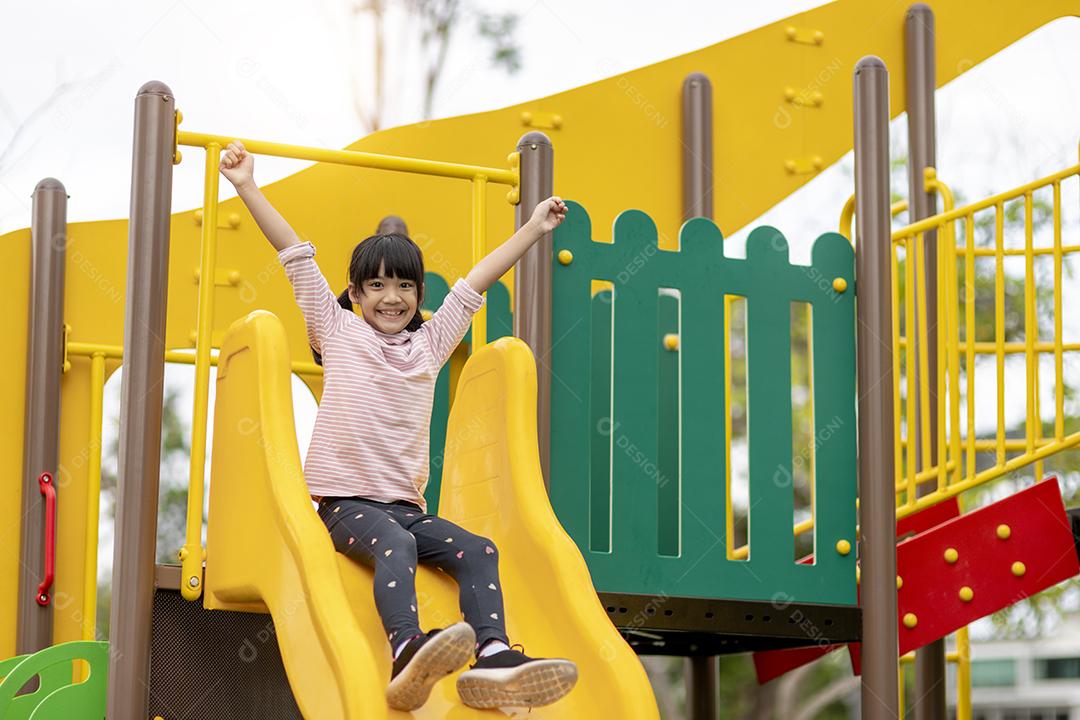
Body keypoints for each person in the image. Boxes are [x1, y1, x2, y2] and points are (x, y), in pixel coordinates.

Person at [219, 141, 577, 711]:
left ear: (418, 295)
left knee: (479, 549)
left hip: (407, 506)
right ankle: (407, 649)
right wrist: (247, 187)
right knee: (395, 543)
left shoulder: (430, 345)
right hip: (344, 506)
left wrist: (534, 228)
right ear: (357, 294)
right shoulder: (336, 331)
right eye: (378, 286)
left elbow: (475, 283)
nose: (393, 298)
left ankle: (494, 657)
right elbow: (295, 253)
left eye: (405, 286)